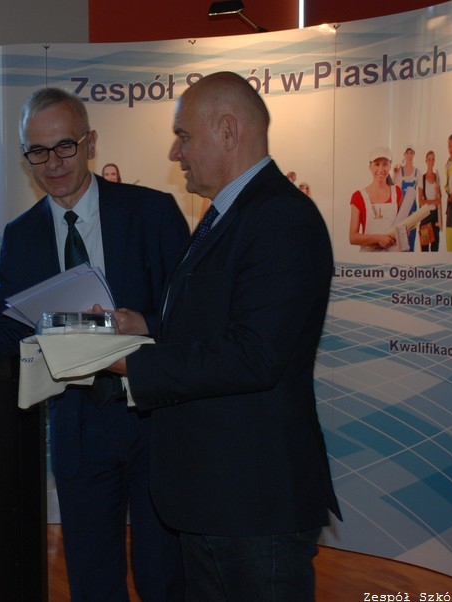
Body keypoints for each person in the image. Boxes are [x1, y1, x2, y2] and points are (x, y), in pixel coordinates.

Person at [0, 88, 189, 601]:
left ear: (91, 143)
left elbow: (193, 314)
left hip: (155, 419)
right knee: (91, 578)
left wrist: (141, 322)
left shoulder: (152, 212)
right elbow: (6, 325)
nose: (53, 163)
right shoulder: (23, 235)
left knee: (163, 575)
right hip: (79, 424)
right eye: (38, 151)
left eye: (64, 146)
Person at [107, 71, 341, 601]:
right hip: (216, 494)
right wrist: (145, 326)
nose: (175, 153)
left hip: (252, 501)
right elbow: (222, 320)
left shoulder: (281, 218)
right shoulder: (231, 213)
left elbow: (255, 354)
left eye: (183, 136)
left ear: (229, 131)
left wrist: (131, 364)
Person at [349, 147, 404, 251]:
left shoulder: (397, 192)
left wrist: (404, 231)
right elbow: (352, 237)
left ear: (390, 166)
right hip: (368, 259)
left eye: (385, 164)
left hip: (394, 257)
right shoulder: (358, 196)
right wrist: (378, 239)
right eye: (377, 164)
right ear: (370, 166)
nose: (381, 169)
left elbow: (403, 226)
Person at [393, 146, 419, 250]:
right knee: (401, 242)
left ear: (414, 154)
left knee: (411, 241)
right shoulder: (399, 171)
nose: (409, 155)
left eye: (411, 153)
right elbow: (392, 187)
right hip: (401, 212)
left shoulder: (418, 172)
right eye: (407, 153)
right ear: (404, 155)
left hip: (413, 211)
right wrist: (395, 174)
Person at [418, 150, 443, 251]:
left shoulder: (437, 178)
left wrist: (438, 192)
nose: (431, 162)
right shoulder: (422, 179)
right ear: (426, 161)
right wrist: (434, 202)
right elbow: (420, 201)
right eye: (429, 159)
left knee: (435, 246)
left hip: (435, 216)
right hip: (425, 216)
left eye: (433, 160)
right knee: (424, 247)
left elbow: (440, 199)